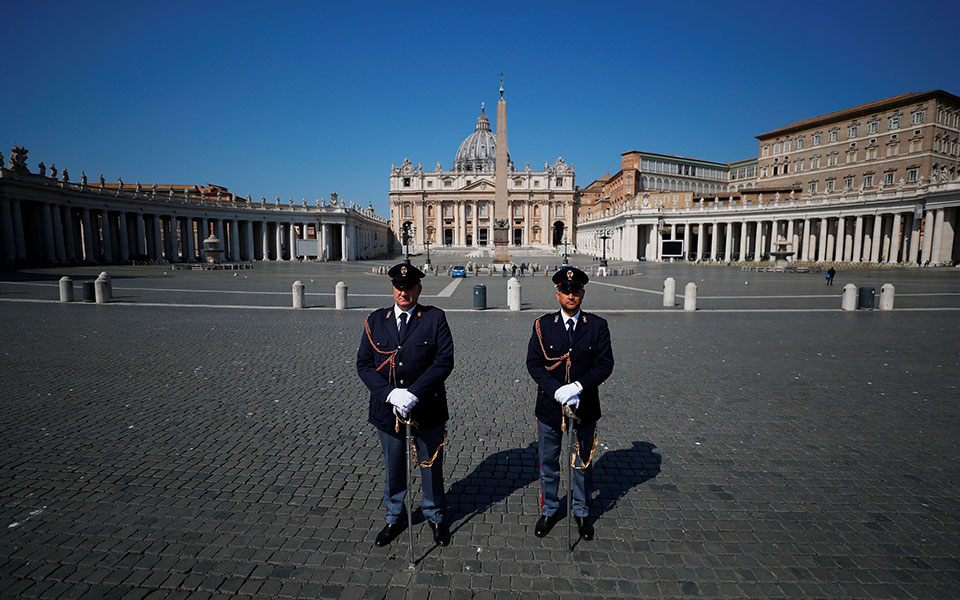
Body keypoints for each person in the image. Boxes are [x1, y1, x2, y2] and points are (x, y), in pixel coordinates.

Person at [357, 264, 455, 547]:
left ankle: (436, 515)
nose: (404, 291)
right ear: (392, 288)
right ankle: (395, 516)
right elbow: (363, 365)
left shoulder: (434, 318)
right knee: (394, 466)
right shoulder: (376, 321)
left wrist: (413, 393)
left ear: (418, 289)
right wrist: (390, 395)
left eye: (409, 286)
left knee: (430, 466)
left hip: (427, 408)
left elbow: (444, 361)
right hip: (388, 411)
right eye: (399, 287)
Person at [526, 266, 614, 542]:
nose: (570, 295)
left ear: (583, 293)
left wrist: (578, 387)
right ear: (557, 294)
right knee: (549, 462)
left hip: (584, 404)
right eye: (565, 291)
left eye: (575, 291)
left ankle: (581, 510)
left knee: (582, 463)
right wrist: (557, 391)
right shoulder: (542, 325)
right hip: (550, 407)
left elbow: (605, 364)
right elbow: (534, 364)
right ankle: (550, 509)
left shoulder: (597, 326)